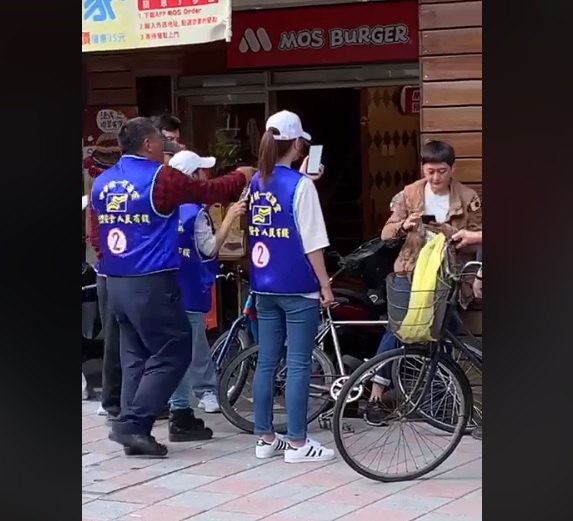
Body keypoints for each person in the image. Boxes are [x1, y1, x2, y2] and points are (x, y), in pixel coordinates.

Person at [90, 117, 254, 457]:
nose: (163, 147)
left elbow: (98, 235)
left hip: (115, 281)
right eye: (158, 141)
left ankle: (134, 427)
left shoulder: (102, 182)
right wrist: (242, 176)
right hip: (150, 281)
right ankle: (133, 425)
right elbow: (207, 192)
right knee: (175, 349)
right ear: (148, 145)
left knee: (134, 356)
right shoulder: (160, 178)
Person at [365, 140, 482, 426]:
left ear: (451, 169)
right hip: (410, 271)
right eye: (430, 171)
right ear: (423, 169)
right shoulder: (410, 193)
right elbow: (386, 233)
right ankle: (376, 395)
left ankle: (438, 402)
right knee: (401, 327)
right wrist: (404, 226)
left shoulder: (467, 197)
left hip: (447, 273)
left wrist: (459, 235)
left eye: (441, 171)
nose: (435, 177)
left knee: (444, 332)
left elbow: (479, 234)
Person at [247, 110, 335, 464]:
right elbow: (313, 243)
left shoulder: (256, 181)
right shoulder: (303, 187)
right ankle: (299, 443)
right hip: (298, 286)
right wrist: (326, 286)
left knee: (267, 361)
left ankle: (266, 438)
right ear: (298, 144)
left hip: (263, 285)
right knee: (298, 363)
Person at [165, 150, 247, 440]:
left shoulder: (163, 206)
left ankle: (175, 403)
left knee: (171, 351)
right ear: (192, 177)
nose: (206, 176)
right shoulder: (195, 212)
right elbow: (210, 248)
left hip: (163, 290)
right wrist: (230, 218)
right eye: (201, 171)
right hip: (190, 288)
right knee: (192, 347)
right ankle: (193, 400)